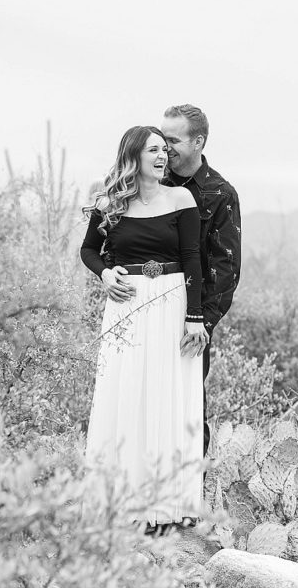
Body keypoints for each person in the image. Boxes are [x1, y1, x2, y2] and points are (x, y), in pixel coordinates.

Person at [81, 126, 209, 532]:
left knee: (169, 394)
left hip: (172, 303)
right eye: (152, 150)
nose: (161, 156)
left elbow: (193, 258)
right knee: (125, 394)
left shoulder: (181, 198)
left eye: (163, 150)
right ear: (133, 157)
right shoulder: (110, 204)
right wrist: (103, 274)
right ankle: (122, 501)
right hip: (126, 307)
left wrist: (195, 315)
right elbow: (88, 250)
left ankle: (170, 504)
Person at [101, 104, 241, 456]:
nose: (165, 148)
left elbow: (225, 270)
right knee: (132, 398)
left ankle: (187, 497)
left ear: (199, 142)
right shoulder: (144, 182)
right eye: (161, 141)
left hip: (188, 319)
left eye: (173, 140)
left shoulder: (220, 194)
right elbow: (115, 241)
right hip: (135, 309)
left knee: (185, 406)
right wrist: (108, 271)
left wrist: (199, 322)